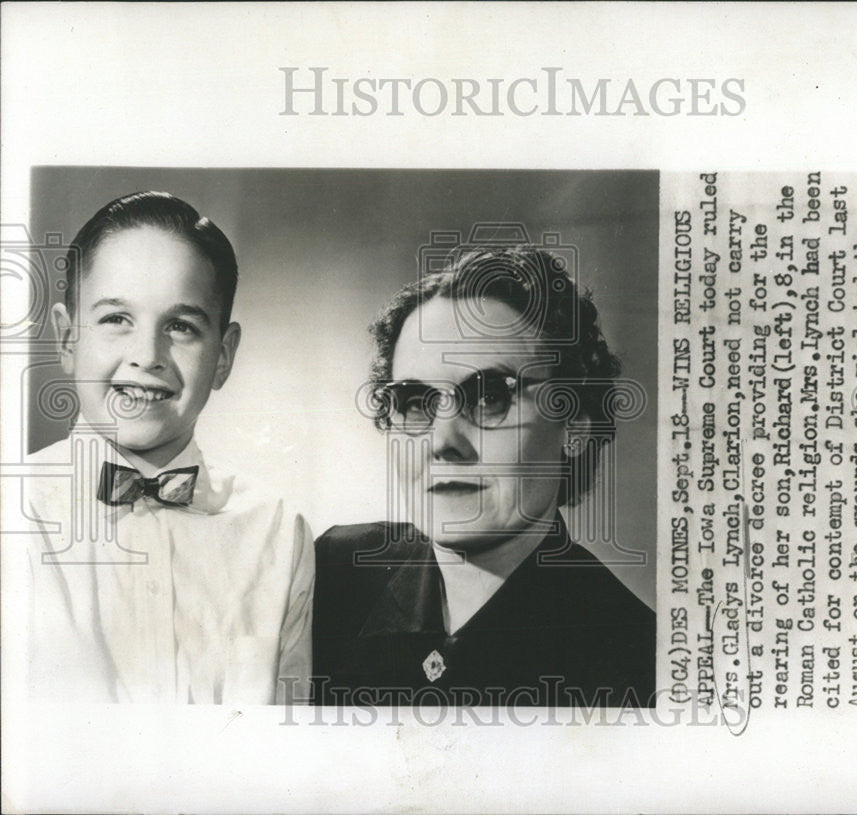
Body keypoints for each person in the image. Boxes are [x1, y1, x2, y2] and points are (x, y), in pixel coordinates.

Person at [313, 244, 655, 708]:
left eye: (490, 396)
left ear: (573, 425)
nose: (442, 441)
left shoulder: (638, 664)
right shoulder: (329, 577)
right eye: (415, 402)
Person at [22, 191, 314, 704]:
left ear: (223, 357)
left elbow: (283, 751)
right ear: (68, 340)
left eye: (180, 327)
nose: (147, 356)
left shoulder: (277, 530)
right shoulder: (13, 515)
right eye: (116, 319)